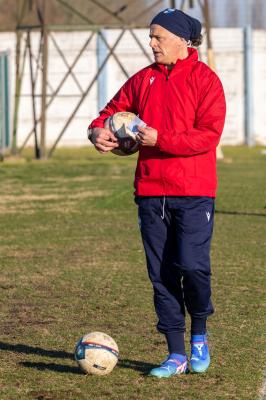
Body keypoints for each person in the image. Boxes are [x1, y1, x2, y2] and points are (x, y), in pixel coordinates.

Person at [88, 8, 226, 378]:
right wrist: (97, 132)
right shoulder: (143, 80)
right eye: (151, 36)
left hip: (195, 192)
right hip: (150, 192)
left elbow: (209, 135)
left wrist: (160, 139)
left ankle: (199, 333)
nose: (151, 44)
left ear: (182, 42)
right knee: (161, 275)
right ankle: (176, 354)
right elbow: (108, 112)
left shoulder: (206, 80)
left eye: (158, 37)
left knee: (192, 267)